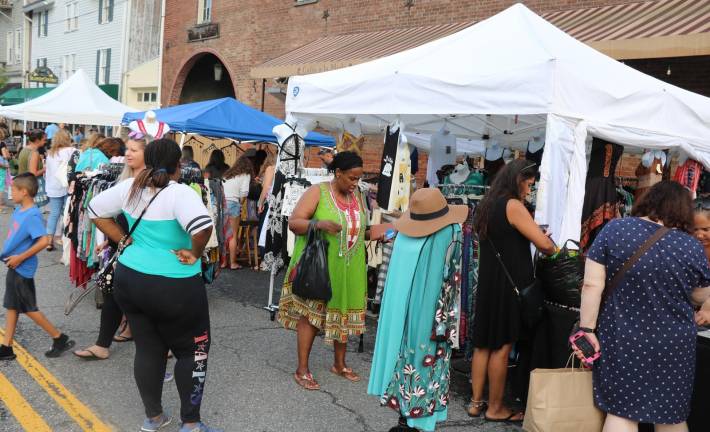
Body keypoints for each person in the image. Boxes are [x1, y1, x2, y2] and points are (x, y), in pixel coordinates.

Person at [88, 139, 220, 432]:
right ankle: (191, 422)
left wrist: (121, 238)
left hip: (131, 279)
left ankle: (154, 417)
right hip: (175, 286)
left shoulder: (131, 186)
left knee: (148, 349)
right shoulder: (180, 193)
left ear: (147, 161)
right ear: (179, 166)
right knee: (193, 351)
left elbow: (94, 209)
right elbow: (203, 227)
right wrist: (195, 253)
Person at [577, 181, 710, 432]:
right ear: (684, 211)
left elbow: (591, 286)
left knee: (622, 413)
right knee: (671, 416)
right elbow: (701, 295)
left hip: (623, 338)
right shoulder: (690, 246)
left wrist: (587, 329)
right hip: (674, 343)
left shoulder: (614, 229)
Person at [468, 160, 556, 422]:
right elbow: (545, 246)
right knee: (502, 347)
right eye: (528, 184)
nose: (529, 190)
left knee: (483, 344)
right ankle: (495, 408)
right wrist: (546, 239)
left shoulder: (486, 204)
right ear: (517, 179)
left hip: (488, 283)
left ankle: (476, 403)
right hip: (510, 287)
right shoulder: (513, 205)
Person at [279, 151, 369, 390]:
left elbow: (362, 230)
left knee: (342, 312)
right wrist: (318, 224)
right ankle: (302, 370)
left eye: (358, 179)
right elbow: (295, 222)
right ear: (338, 173)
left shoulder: (358, 195)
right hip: (320, 267)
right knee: (311, 316)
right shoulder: (317, 192)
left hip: (350, 267)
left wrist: (386, 231)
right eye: (351, 178)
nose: (355, 183)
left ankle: (339, 364)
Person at [74, 135, 148, 361]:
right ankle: (102, 345)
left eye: (134, 150)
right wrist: (112, 240)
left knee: (147, 299)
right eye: (128, 149)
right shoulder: (125, 179)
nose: (128, 153)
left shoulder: (153, 183)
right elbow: (115, 216)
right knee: (114, 296)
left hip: (145, 250)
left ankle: (160, 346)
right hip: (124, 249)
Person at [0, 173, 75, 361]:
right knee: (11, 306)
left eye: (14, 189)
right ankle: (6, 347)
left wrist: (20, 258)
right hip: (14, 265)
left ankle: (59, 338)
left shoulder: (32, 214)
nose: (11, 191)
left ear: (24, 192)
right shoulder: (19, 210)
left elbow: (43, 240)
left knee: (29, 308)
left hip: (22, 268)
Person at [44, 129, 77, 251]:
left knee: (54, 214)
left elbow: (48, 172)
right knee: (66, 213)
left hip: (53, 187)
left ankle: (49, 241)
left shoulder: (51, 153)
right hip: (68, 186)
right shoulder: (71, 151)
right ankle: (64, 238)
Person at [222, 155, 253, 270]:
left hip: (222, 203)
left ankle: (223, 262)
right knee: (233, 236)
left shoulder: (228, 174)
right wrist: (240, 203)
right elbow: (244, 193)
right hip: (233, 203)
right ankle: (233, 263)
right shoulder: (245, 175)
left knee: (224, 234)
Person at [693, 198, 710, 326]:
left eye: (705, 229)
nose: (699, 235)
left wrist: (707, 309)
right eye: (694, 229)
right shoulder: (686, 250)